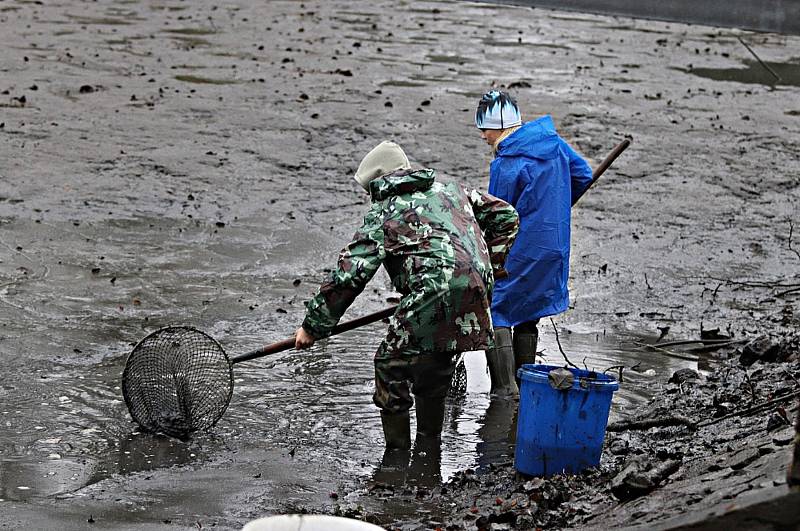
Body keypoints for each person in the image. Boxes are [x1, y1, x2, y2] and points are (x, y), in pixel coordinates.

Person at [294, 140, 519, 451]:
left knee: (390, 364)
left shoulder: (384, 212)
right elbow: (506, 216)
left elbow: (351, 274)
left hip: (434, 291)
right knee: (436, 363)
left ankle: (396, 458)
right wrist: (490, 264)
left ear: (378, 181)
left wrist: (312, 327)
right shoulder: (452, 188)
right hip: (477, 286)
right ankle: (429, 451)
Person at [475, 90, 593, 397]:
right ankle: (525, 386)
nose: (483, 136)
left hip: (522, 251)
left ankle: (504, 392)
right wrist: (554, 207)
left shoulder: (506, 163)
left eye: (485, 129)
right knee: (528, 313)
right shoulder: (553, 144)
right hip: (553, 248)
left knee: (497, 311)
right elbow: (583, 174)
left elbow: (497, 217)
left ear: (500, 127)